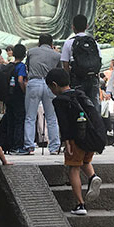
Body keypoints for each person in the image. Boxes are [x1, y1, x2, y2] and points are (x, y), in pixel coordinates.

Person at [46, 68, 102, 216]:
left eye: (51, 88)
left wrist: (67, 142)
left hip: (75, 140)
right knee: (85, 161)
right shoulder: (80, 94)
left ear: (54, 85)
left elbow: (64, 123)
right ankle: (93, 177)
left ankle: (80, 204)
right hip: (90, 138)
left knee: (73, 168)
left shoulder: (60, 101)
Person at [24, 34, 62, 154]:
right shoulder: (57, 55)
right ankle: (54, 147)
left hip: (34, 82)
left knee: (30, 117)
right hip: (50, 85)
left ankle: (29, 146)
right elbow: (59, 71)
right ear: (51, 44)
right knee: (51, 117)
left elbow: (28, 67)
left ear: (39, 43)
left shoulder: (31, 52)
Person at [61, 14, 101, 108]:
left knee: (78, 106)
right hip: (92, 79)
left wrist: (68, 80)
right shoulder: (93, 42)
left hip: (77, 79)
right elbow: (98, 60)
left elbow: (65, 64)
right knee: (93, 106)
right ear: (87, 26)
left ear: (73, 27)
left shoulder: (69, 43)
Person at [4, 44, 29, 154]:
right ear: (24, 55)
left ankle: (10, 145)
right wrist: (24, 91)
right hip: (18, 96)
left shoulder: (9, 65)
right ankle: (18, 146)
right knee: (19, 120)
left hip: (9, 96)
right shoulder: (21, 66)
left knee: (10, 120)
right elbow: (20, 80)